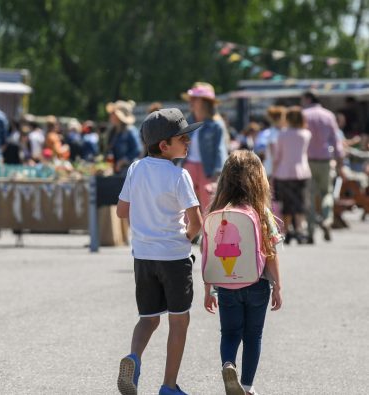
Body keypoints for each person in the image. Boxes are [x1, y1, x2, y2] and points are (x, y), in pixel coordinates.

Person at [116, 108, 203, 395]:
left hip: (143, 256)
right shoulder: (179, 176)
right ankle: (169, 386)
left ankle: (134, 357)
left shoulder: (135, 169)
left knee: (148, 318)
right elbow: (196, 222)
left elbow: (122, 210)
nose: (188, 142)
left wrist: (145, 226)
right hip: (173, 257)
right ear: (165, 145)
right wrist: (186, 240)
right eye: (182, 138)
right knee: (179, 321)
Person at [203, 150, 283, 395]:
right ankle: (247, 386)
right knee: (253, 336)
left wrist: (208, 289)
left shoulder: (217, 214)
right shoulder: (261, 212)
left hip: (226, 286)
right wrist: (277, 286)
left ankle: (229, 366)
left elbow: (209, 253)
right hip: (257, 284)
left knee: (229, 334)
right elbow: (271, 253)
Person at [301, 91, 345, 243]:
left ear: (307, 99)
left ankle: (311, 230)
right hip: (325, 160)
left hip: (307, 160)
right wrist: (339, 159)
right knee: (327, 193)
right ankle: (327, 221)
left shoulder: (303, 114)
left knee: (310, 195)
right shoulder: (329, 115)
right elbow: (335, 139)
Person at [182, 82, 228, 213]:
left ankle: (207, 232)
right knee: (185, 203)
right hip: (188, 166)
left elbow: (220, 150)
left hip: (208, 169)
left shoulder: (216, 125)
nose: (190, 101)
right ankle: (188, 233)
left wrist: (217, 174)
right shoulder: (187, 122)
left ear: (205, 102)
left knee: (208, 204)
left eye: (194, 98)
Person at [272, 107, 312, 244]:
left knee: (286, 204)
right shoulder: (306, 134)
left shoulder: (282, 135)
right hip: (302, 171)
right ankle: (300, 230)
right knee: (300, 202)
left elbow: (277, 156)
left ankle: (288, 231)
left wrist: (273, 172)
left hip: (283, 172)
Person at [105, 100, 143, 175]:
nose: (111, 115)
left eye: (113, 113)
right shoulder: (113, 131)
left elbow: (137, 150)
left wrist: (123, 161)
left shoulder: (130, 131)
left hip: (129, 170)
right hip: (116, 170)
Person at [254, 106, 285, 177]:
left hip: (274, 169)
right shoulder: (270, 133)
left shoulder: (267, 133)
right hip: (274, 170)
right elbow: (274, 156)